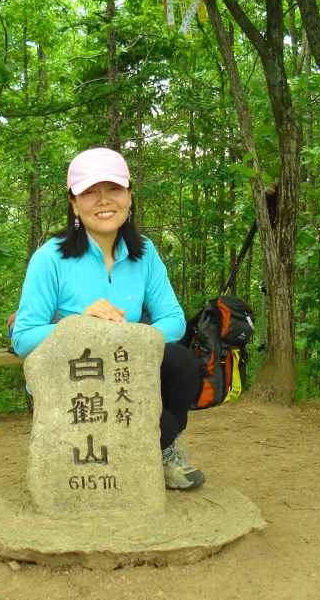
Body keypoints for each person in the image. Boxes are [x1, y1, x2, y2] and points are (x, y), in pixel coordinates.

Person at [12, 147, 205, 490]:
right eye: (89, 192)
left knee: (182, 363)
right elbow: (24, 337)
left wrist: (128, 336)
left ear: (130, 196)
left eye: (114, 189)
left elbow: (174, 320)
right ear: (73, 203)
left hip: (124, 367)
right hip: (74, 376)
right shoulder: (50, 259)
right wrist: (80, 326)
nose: (104, 201)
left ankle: (157, 449)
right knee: (141, 402)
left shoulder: (143, 253)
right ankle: (141, 449)